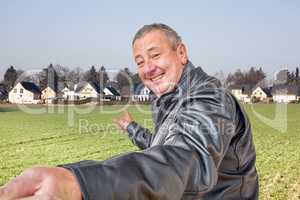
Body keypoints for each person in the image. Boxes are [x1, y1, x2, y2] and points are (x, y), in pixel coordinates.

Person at [0, 23, 258, 200]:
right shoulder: (170, 101)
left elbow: (186, 160)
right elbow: (165, 146)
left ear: (181, 53)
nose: (148, 68)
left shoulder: (209, 97)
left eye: (155, 55)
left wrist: (82, 183)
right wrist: (132, 129)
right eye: (140, 62)